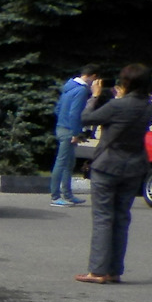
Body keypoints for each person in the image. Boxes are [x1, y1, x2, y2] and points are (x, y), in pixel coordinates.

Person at [76, 64, 152, 283]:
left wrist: (95, 96)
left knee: (103, 218)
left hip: (108, 165)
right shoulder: (148, 106)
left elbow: (86, 118)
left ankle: (97, 271)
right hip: (135, 165)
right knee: (121, 218)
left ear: (126, 82)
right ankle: (114, 270)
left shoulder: (118, 106)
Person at [50, 64, 97, 206]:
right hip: (69, 130)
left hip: (61, 127)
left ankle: (68, 194)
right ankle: (55, 197)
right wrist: (76, 133)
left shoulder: (69, 86)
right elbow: (75, 114)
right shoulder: (82, 90)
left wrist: (62, 123)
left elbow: (58, 109)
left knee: (69, 163)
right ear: (93, 77)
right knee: (62, 162)